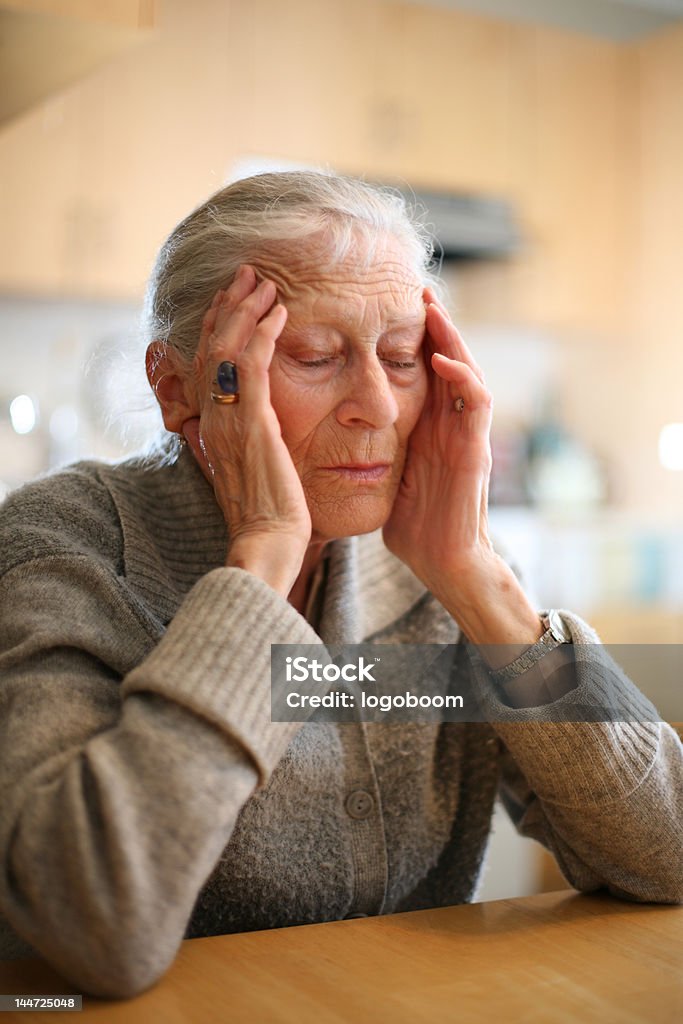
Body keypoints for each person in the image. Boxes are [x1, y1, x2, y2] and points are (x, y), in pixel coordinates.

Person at [0, 172, 680, 999]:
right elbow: (91, 929)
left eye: (400, 357)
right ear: (178, 386)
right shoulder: (64, 544)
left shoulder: (427, 558)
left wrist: (479, 583)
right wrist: (261, 557)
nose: (376, 406)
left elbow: (666, 852)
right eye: (315, 357)